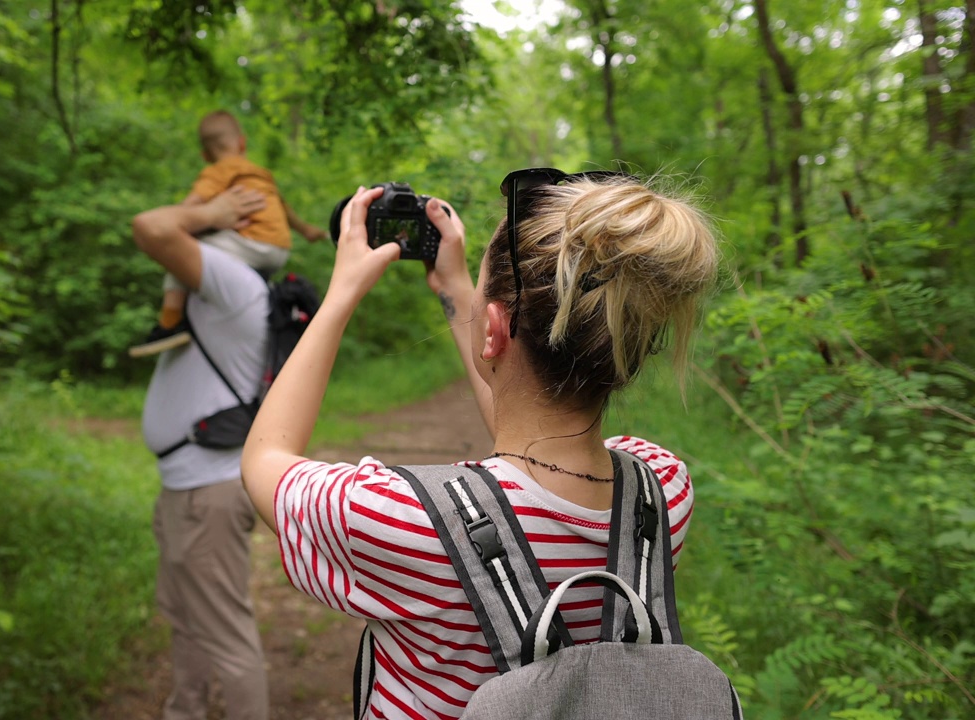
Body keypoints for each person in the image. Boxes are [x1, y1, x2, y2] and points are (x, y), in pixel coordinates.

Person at [241, 171, 719, 718]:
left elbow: (264, 460)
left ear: (491, 331)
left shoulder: (399, 519)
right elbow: (533, 456)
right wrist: (456, 289)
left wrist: (341, 292)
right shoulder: (660, 494)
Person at [132, 185, 274, 720]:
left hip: (205, 494)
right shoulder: (213, 293)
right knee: (187, 619)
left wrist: (209, 213)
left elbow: (152, 226)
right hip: (186, 487)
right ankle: (184, 710)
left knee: (228, 638)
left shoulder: (232, 282)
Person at [130, 110, 326, 357]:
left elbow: (188, 207)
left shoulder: (219, 170)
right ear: (242, 143)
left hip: (252, 243)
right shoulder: (261, 174)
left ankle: (170, 322)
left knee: (184, 247)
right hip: (280, 247)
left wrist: (183, 216)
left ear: (205, 155)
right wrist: (307, 230)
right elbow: (285, 210)